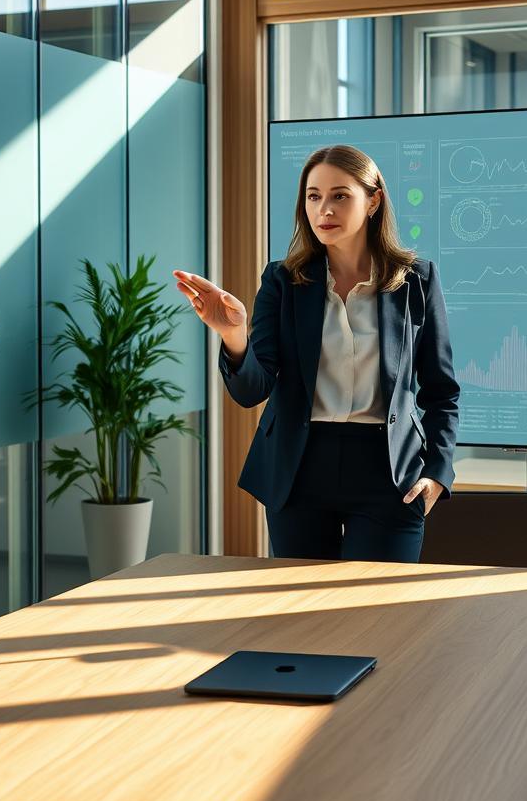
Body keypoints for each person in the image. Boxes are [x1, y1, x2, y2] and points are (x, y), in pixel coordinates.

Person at [174, 144, 459, 562]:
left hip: (388, 470)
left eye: (340, 195)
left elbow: (441, 390)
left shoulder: (415, 279)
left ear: (374, 199)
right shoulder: (283, 280)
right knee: (303, 612)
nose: (324, 208)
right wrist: (233, 335)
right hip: (299, 467)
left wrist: (437, 471)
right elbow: (253, 390)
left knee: (380, 611)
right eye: (314, 196)